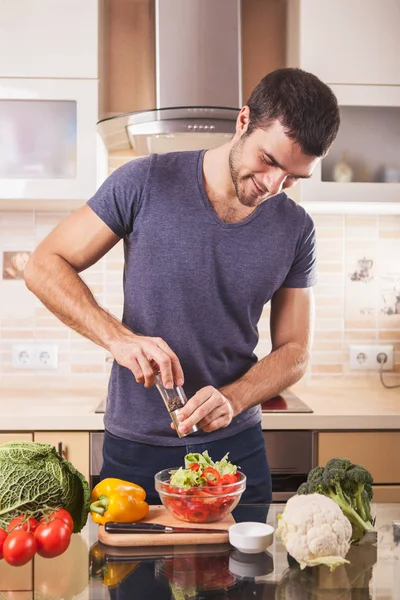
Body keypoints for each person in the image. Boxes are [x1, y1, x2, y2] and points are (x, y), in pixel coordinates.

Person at [24, 68, 340, 505]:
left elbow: (295, 351)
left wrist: (233, 398)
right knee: (131, 575)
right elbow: (43, 265)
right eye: (269, 161)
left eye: (293, 177)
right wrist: (119, 339)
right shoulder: (144, 181)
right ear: (244, 121)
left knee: (247, 575)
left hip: (235, 448)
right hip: (136, 449)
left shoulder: (296, 229)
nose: (273, 185)